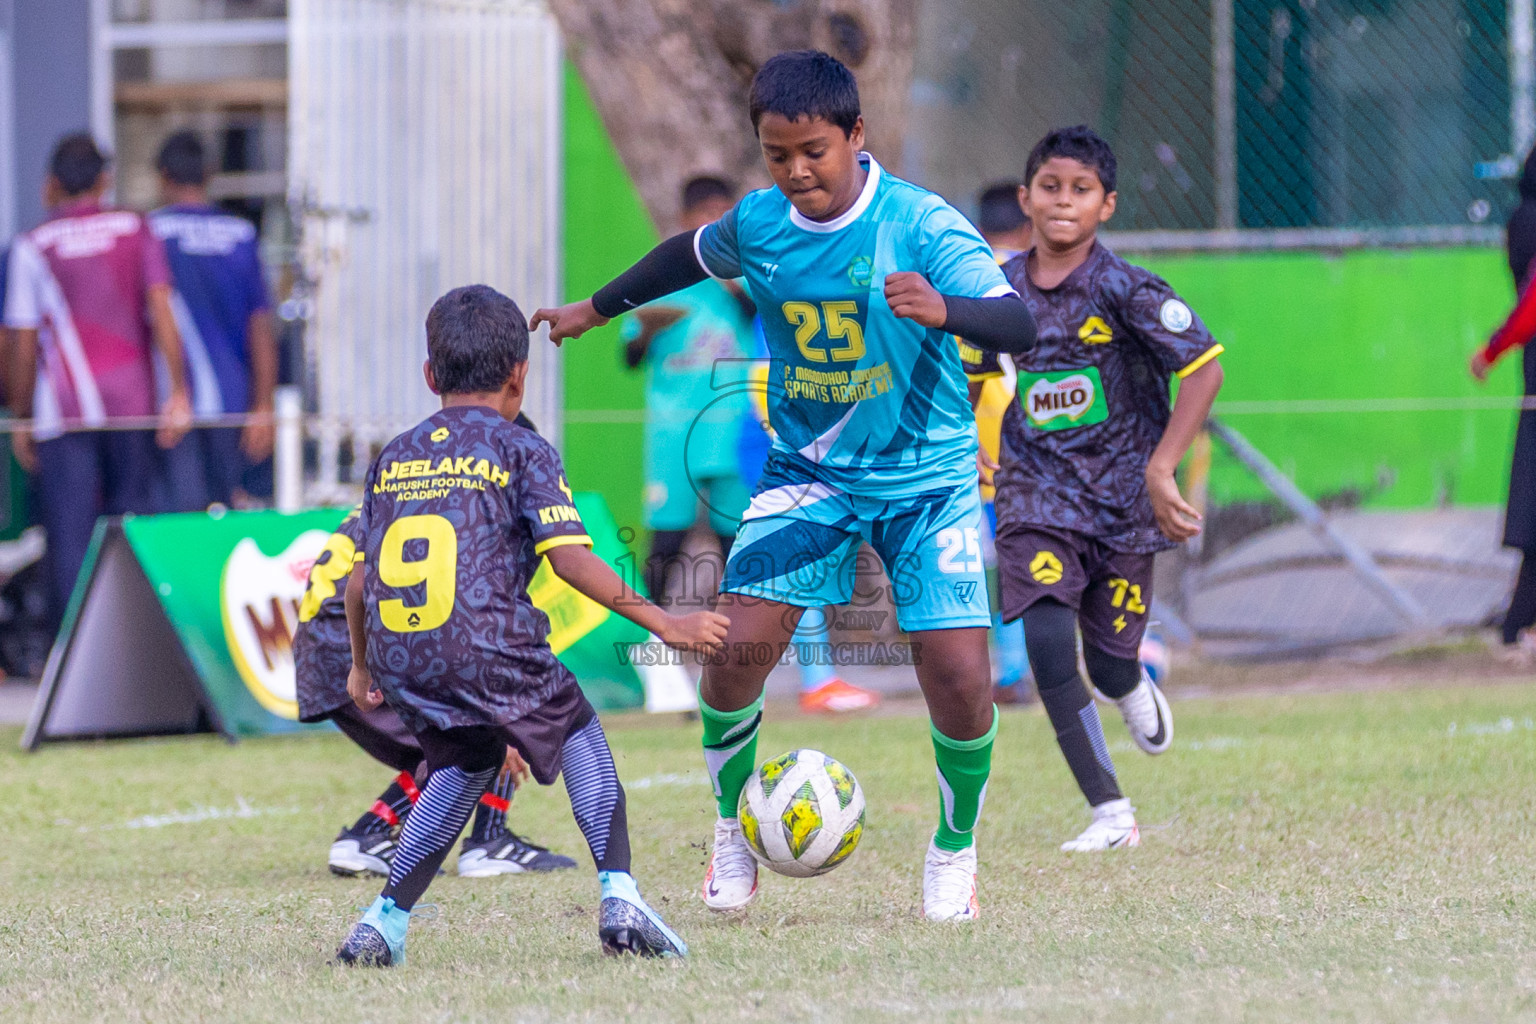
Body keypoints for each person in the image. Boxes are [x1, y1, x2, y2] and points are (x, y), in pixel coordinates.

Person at [533, 50, 1037, 922]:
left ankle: (955, 845)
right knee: (732, 660)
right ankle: (733, 828)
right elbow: (684, 257)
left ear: (856, 136)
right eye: (777, 154)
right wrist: (596, 308)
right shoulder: (759, 225)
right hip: (810, 477)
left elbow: (1018, 322)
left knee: (959, 674)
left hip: (928, 479)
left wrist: (945, 309)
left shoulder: (922, 224)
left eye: (814, 151)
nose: (797, 171)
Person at [335, 285, 726, 966]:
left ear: (431, 375)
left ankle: (383, 922)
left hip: (401, 650)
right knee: (576, 724)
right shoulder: (521, 448)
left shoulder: (393, 455)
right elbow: (570, 559)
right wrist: (664, 622)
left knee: (462, 759)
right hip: (484, 641)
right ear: (520, 375)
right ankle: (622, 896)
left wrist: (364, 666)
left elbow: (360, 578)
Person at [966, 126, 1223, 852]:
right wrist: (969, 444)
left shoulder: (1127, 289)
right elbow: (974, 373)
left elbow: (1203, 370)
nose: (1062, 202)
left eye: (1080, 190)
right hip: (1035, 496)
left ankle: (1131, 686)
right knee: (1047, 644)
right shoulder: (997, 291)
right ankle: (1111, 813)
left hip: (1122, 505)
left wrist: (1160, 467)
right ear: (1026, 198)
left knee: (1110, 660)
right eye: (1050, 187)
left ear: (1105, 204)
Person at [295, 495, 576, 879]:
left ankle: (377, 831)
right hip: (356, 644)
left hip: (323, 648)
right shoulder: (447, 502)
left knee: (442, 745)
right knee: (484, 733)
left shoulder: (408, 485)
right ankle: (475, 840)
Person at [4, 134, 191, 629]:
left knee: (70, 541)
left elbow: (21, 342)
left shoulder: (33, 245)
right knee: (137, 537)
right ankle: (147, 652)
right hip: (134, 408)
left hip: (63, 415)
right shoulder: (134, 227)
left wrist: (20, 416)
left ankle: (71, 667)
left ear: (50, 186)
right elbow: (160, 307)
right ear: (105, 180)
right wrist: (179, 391)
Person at [735, 313, 882, 714]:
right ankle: (815, 679)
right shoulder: (775, 350)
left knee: (796, 567)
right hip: (782, 462)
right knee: (795, 565)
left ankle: (816, 678)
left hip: (788, 450)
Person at [622, 175, 754, 606]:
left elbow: (759, 316)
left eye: (722, 219)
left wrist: (726, 276)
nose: (714, 228)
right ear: (683, 222)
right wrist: (645, 331)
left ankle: (740, 644)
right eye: (704, 219)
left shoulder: (748, 275)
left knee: (736, 544)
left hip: (732, 429)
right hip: (673, 433)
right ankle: (650, 647)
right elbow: (630, 357)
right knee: (665, 545)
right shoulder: (661, 279)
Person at [149, 131, 278, 511]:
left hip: (172, 403)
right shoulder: (241, 235)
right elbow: (261, 325)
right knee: (225, 516)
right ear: (208, 175)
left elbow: (154, 310)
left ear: (163, 177)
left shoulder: (152, 232)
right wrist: (263, 405)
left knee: (179, 518)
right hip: (232, 400)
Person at [962, 182, 1033, 704]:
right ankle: (1021, 668)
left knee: (984, 562)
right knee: (1023, 556)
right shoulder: (1034, 272)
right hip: (1032, 439)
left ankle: (1006, 670)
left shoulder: (967, 274)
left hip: (976, 442)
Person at [1470, 148, 1536, 662]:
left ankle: (1519, 618)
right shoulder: (1529, 222)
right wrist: (1493, 348)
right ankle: (1518, 619)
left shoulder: (1518, 222)